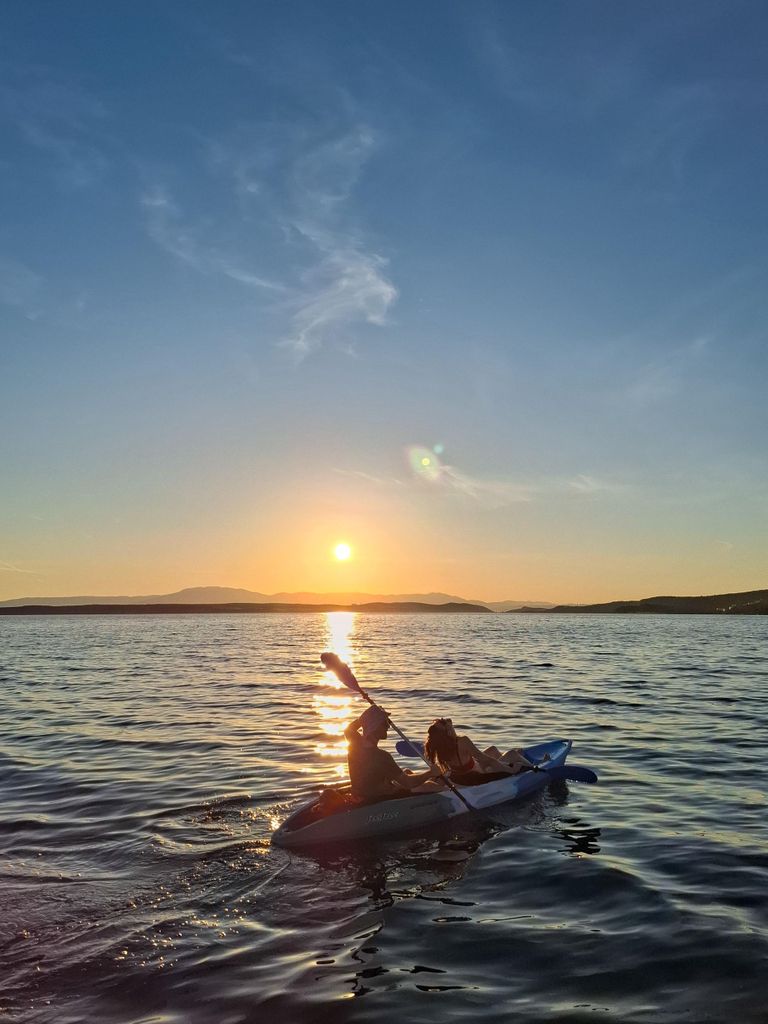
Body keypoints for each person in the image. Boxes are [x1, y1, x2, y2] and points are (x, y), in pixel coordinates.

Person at [345, 705, 439, 802]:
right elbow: (408, 783)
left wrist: (369, 714)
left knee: (406, 771)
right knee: (429, 786)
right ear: (375, 727)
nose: (388, 726)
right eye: (384, 723)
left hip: (363, 794)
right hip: (379, 800)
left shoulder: (354, 744)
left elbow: (349, 729)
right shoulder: (382, 756)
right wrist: (430, 773)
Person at [424, 717, 536, 781]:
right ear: (448, 731)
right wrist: (510, 770)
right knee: (514, 753)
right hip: (480, 774)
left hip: (465, 773)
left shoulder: (440, 747)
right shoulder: (463, 741)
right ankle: (535, 767)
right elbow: (488, 761)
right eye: (446, 723)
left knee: (492, 749)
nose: (448, 721)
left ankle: (508, 760)